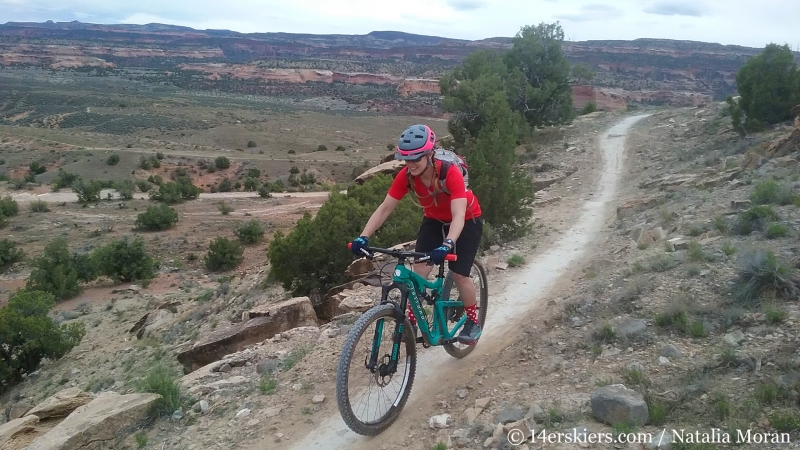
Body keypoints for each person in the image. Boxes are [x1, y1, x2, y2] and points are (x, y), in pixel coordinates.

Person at [350, 124, 484, 344]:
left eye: (416, 159)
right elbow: (385, 208)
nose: (410, 164)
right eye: (407, 160)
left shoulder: (449, 172)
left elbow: (459, 216)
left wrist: (447, 244)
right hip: (434, 220)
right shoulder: (407, 176)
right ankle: (411, 322)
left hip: (467, 219)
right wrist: (363, 236)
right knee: (419, 270)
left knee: (459, 273)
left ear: (430, 155)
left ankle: (472, 321)